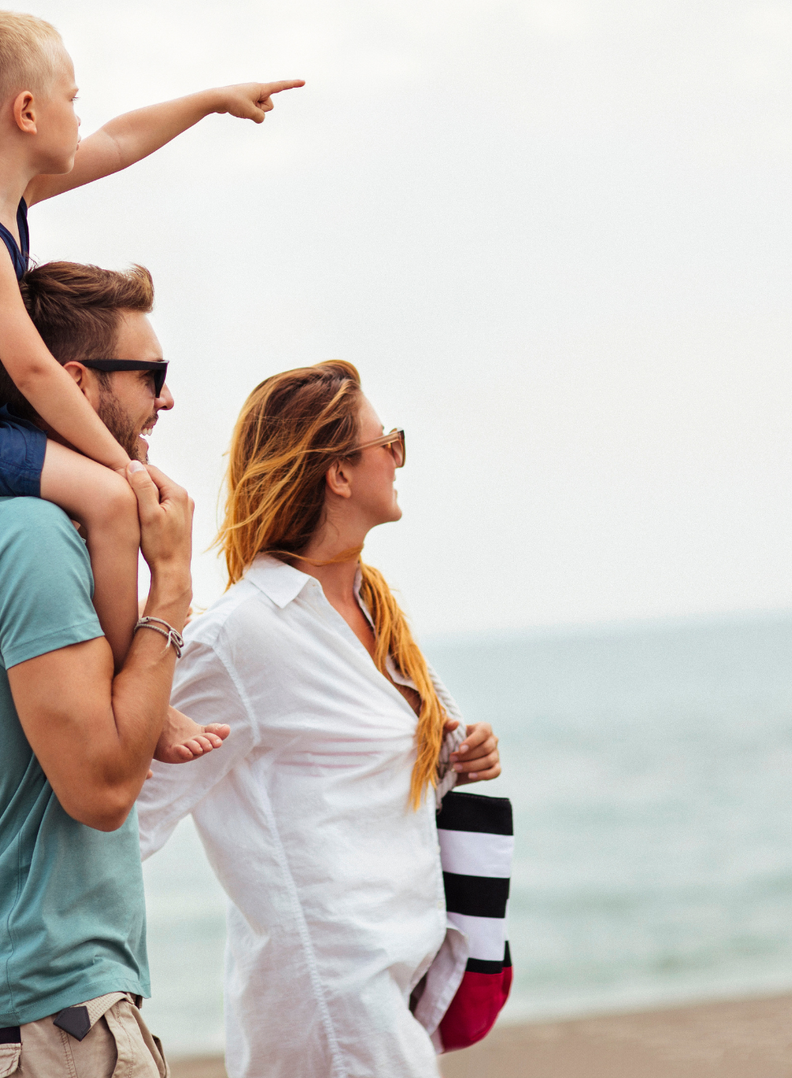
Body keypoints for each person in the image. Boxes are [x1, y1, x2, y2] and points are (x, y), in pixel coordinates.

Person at [0, 7, 302, 668]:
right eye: (71, 98)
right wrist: (121, 466)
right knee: (109, 497)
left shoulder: (6, 200)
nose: (80, 114)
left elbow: (120, 141)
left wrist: (214, 100)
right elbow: (37, 373)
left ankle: (127, 661)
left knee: (120, 492)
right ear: (27, 112)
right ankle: (134, 683)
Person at [0, 261, 230, 1078]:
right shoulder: (33, 541)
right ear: (76, 382)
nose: (168, 399)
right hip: (52, 1017)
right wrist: (175, 588)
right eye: (151, 375)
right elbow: (104, 787)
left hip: (22, 1007)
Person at [136, 360, 504, 1078]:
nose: (397, 457)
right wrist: (4, 935)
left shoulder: (370, 612)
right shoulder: (244, 635)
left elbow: (352, 777)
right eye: (386, 441)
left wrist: (454, 755)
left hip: (389, 993)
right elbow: (129, 804)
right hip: (328, 1006)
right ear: (338, 473)